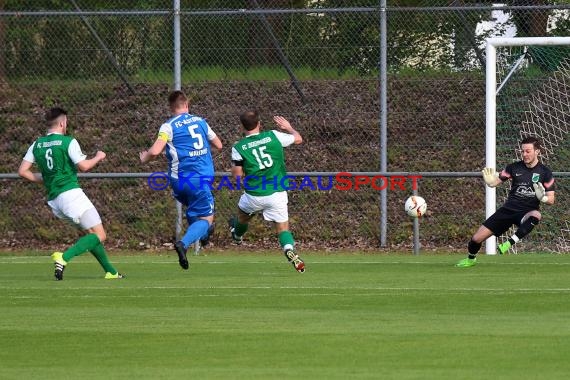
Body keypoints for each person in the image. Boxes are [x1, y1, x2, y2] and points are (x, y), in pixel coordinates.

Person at [18, 107, 124, 280]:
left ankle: (111, 272)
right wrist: (99, 156)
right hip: (71, 195)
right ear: (62, 123)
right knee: (100, 235)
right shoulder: (68, 142)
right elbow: (84, 166)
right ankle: (64, 257)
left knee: (92, 234)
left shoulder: (37, 144)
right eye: (66, 122)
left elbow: (23, 171)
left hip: (55, 201)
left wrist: (46, 180)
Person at [140, 90, 222, 270]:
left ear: (171, 108)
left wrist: (144, 157)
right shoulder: (201, 122)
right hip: (199, 180)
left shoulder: (168, 126)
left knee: (194, 212)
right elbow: (219, 144)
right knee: (207, 219)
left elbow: (154, 151)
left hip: (178, 183)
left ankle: (202, 233)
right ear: (187, 105)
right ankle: (184, 243)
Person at [456, 136, 555, 267]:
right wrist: (489, 181)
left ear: (537, 151)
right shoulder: (513, 167)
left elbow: (551, 200)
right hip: (508, 210)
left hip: (527, 212)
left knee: (536, 215)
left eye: (528, 151)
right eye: (522, 151)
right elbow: (495, 182)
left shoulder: (545, 172)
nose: (524, 154)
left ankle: (509, 243)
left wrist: (542, 198)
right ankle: (470, 259)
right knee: (476, 239)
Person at [229, 111, 305, 273]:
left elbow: (237, 176)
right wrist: (289, 128)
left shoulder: (239, 147)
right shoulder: (274, 136)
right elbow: (298, 139)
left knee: (242, 218)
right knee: (283, 229)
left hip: (254, 195)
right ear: (259, 123)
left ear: (242, 126)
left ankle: (237, 236)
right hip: (277, 193)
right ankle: (289, 250)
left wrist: (240, 170)